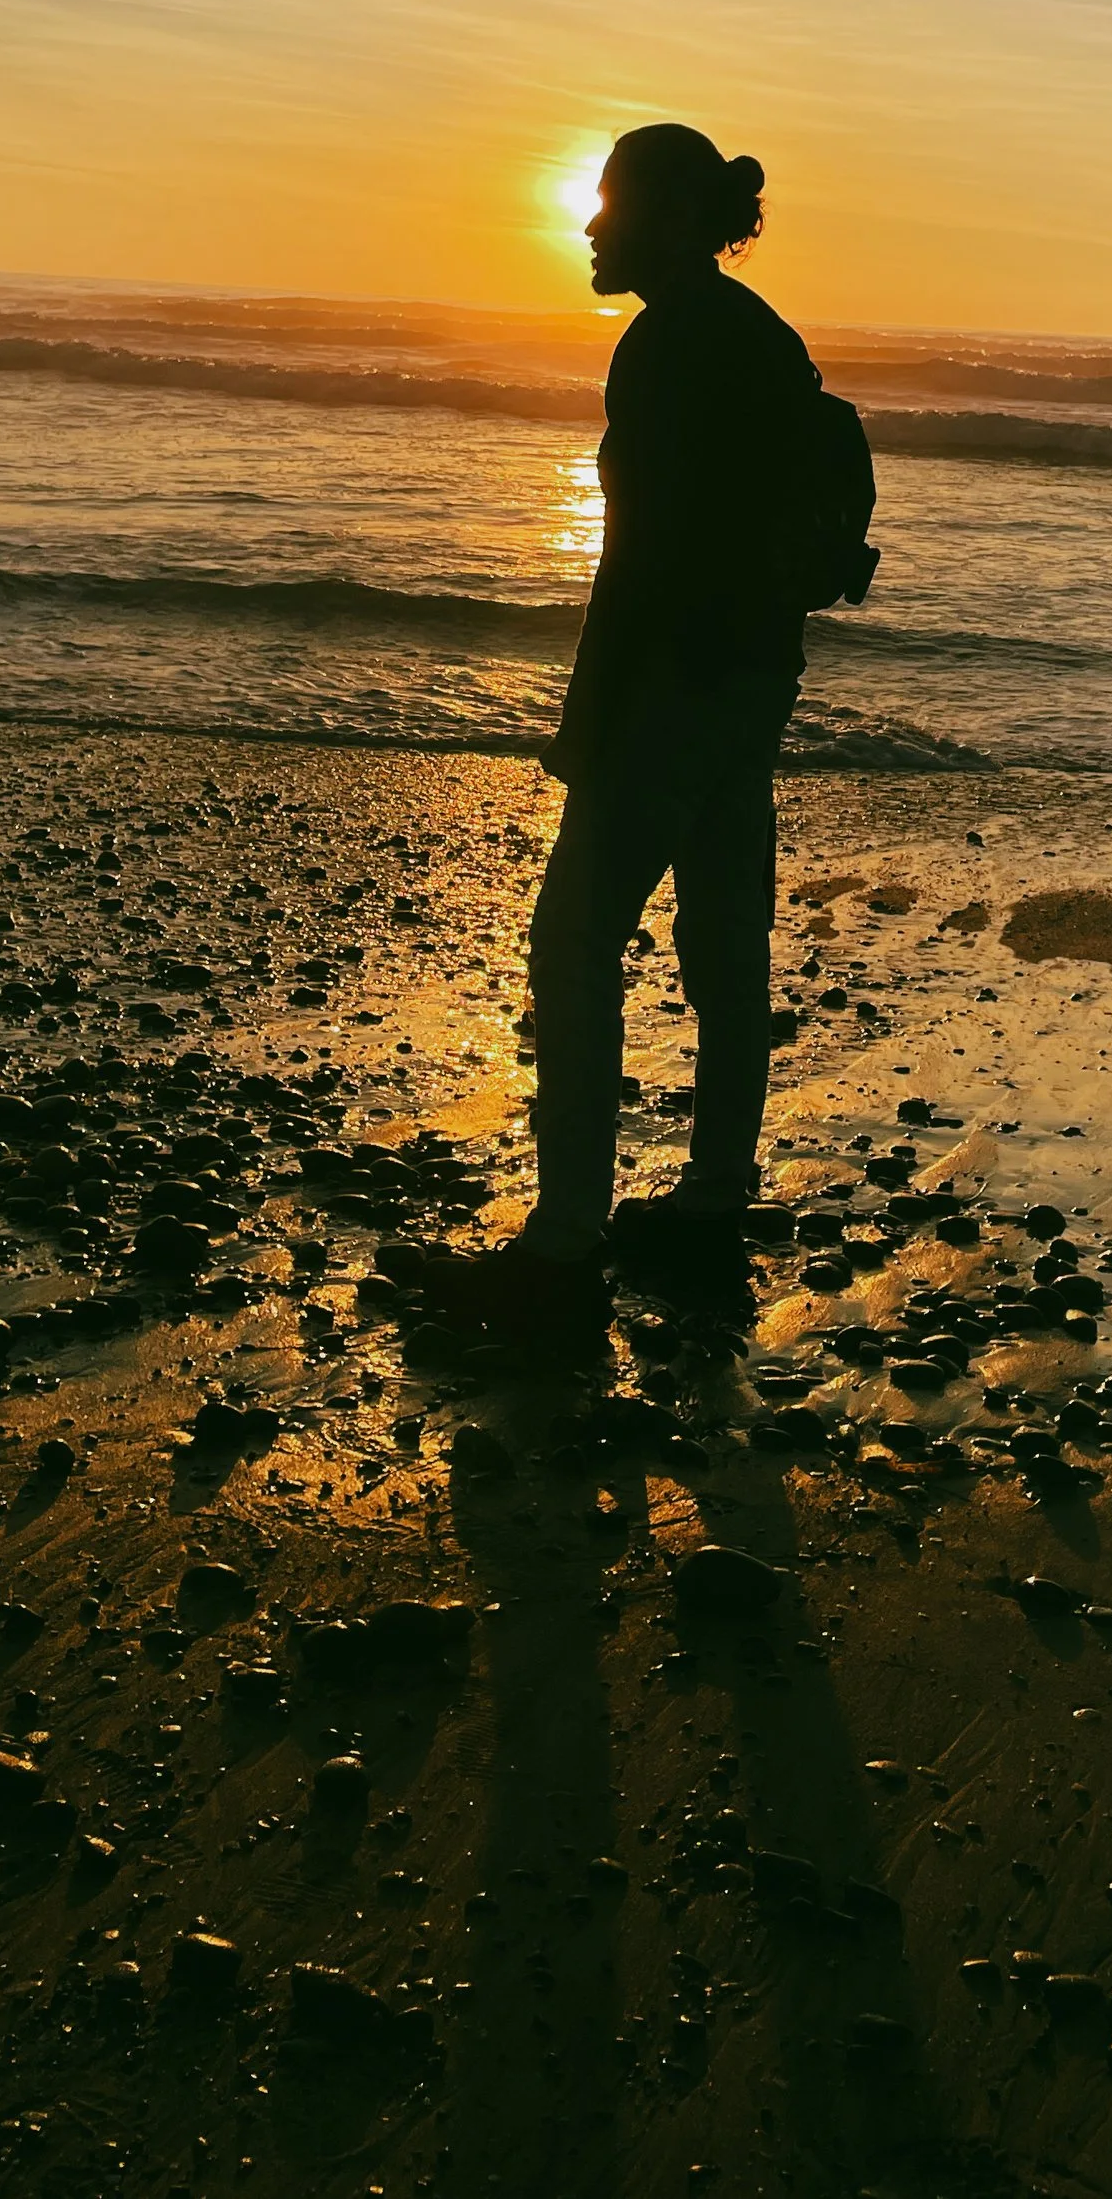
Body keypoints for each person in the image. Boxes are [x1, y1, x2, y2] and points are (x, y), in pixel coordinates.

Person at [414, 124, 844, 1338]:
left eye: (608, 207)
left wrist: (587, 721)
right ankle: (711, 1206)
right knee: (722, 948)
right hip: (755, 677)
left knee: (573, 946)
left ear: (663, 218)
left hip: (673, 683)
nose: (588, 228)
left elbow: (638, 559)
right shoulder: (761, 337)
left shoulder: (664, 346)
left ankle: (562, 1246)